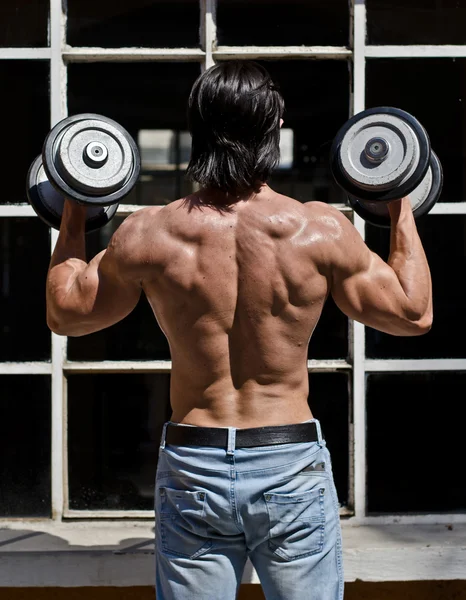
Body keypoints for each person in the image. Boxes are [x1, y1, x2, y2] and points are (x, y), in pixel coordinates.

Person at [46, 61, 433, 600]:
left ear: (198, 130)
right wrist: (400, 201)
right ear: (274, 128)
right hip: (288, 464)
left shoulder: (149, 233)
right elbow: (413, 314)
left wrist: (75, 210)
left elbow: (67, 312)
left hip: (194, 464)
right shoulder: (319, 229)